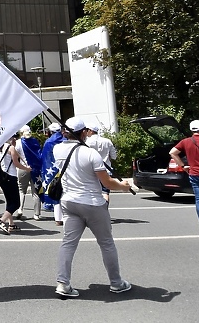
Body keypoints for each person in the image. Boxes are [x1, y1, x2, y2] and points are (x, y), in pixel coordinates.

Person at [54, 117, 132, 297]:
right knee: (106, 244)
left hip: (69, 201)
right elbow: (107, 183)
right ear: (83, 132)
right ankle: (116, 283)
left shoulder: (57, 149)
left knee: (68, 244)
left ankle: (63, 283)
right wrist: (124, 187)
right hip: (92, 203)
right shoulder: (91, 154)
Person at [0, 137, 32, 234]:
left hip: (3, 176)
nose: (15, 138)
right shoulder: (10, 148)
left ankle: (11, 224)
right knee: (16, 203)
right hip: (11, 177)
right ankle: (1, 220)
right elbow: (16, 163)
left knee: (9, 201)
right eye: (13, 136)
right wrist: (26, 168)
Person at [15, 125, 43, 220]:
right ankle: (37, 214)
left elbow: (14, 155)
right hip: (35, 169)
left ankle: (20, 209)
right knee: (36, 191)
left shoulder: (18, 143)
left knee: (21, 190)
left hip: (23, 167)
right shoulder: (35, 141)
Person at [40, 122, 65, 225]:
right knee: (64, 193)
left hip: (51, 171)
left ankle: (58, 219)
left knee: (55, 193)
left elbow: (44, 158)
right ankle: (66, 217)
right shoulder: (66, 140)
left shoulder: (49, 142)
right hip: (64, 170)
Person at [86, 123, 117, 203]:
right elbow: (114, 156)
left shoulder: (87, 142)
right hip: (106, 170)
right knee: (105, 192)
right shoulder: (107, 141)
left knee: (92, 194)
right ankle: (105, 209)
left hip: (91, 171)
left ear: (90, 131)